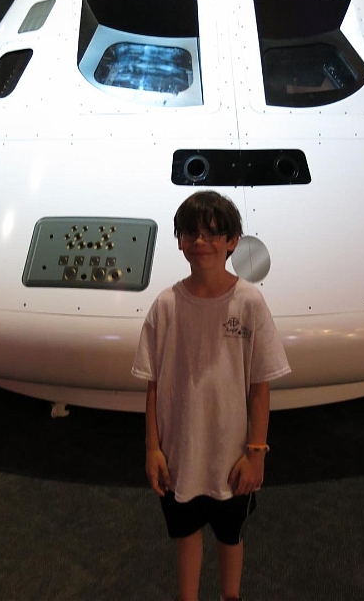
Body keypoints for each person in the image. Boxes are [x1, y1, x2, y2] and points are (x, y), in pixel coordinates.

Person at [132, 190, 291, 601]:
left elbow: (260, 386)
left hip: (230, 456)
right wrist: (153, 448)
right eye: (191, 233)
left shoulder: (249, 302)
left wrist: (256, 453)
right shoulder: (166, 306)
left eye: (213, 233)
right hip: (179, 455)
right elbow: (153, 383)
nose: (201, 241)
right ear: (180, 241)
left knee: (230, 534)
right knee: (184, 532)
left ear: (233, 240)